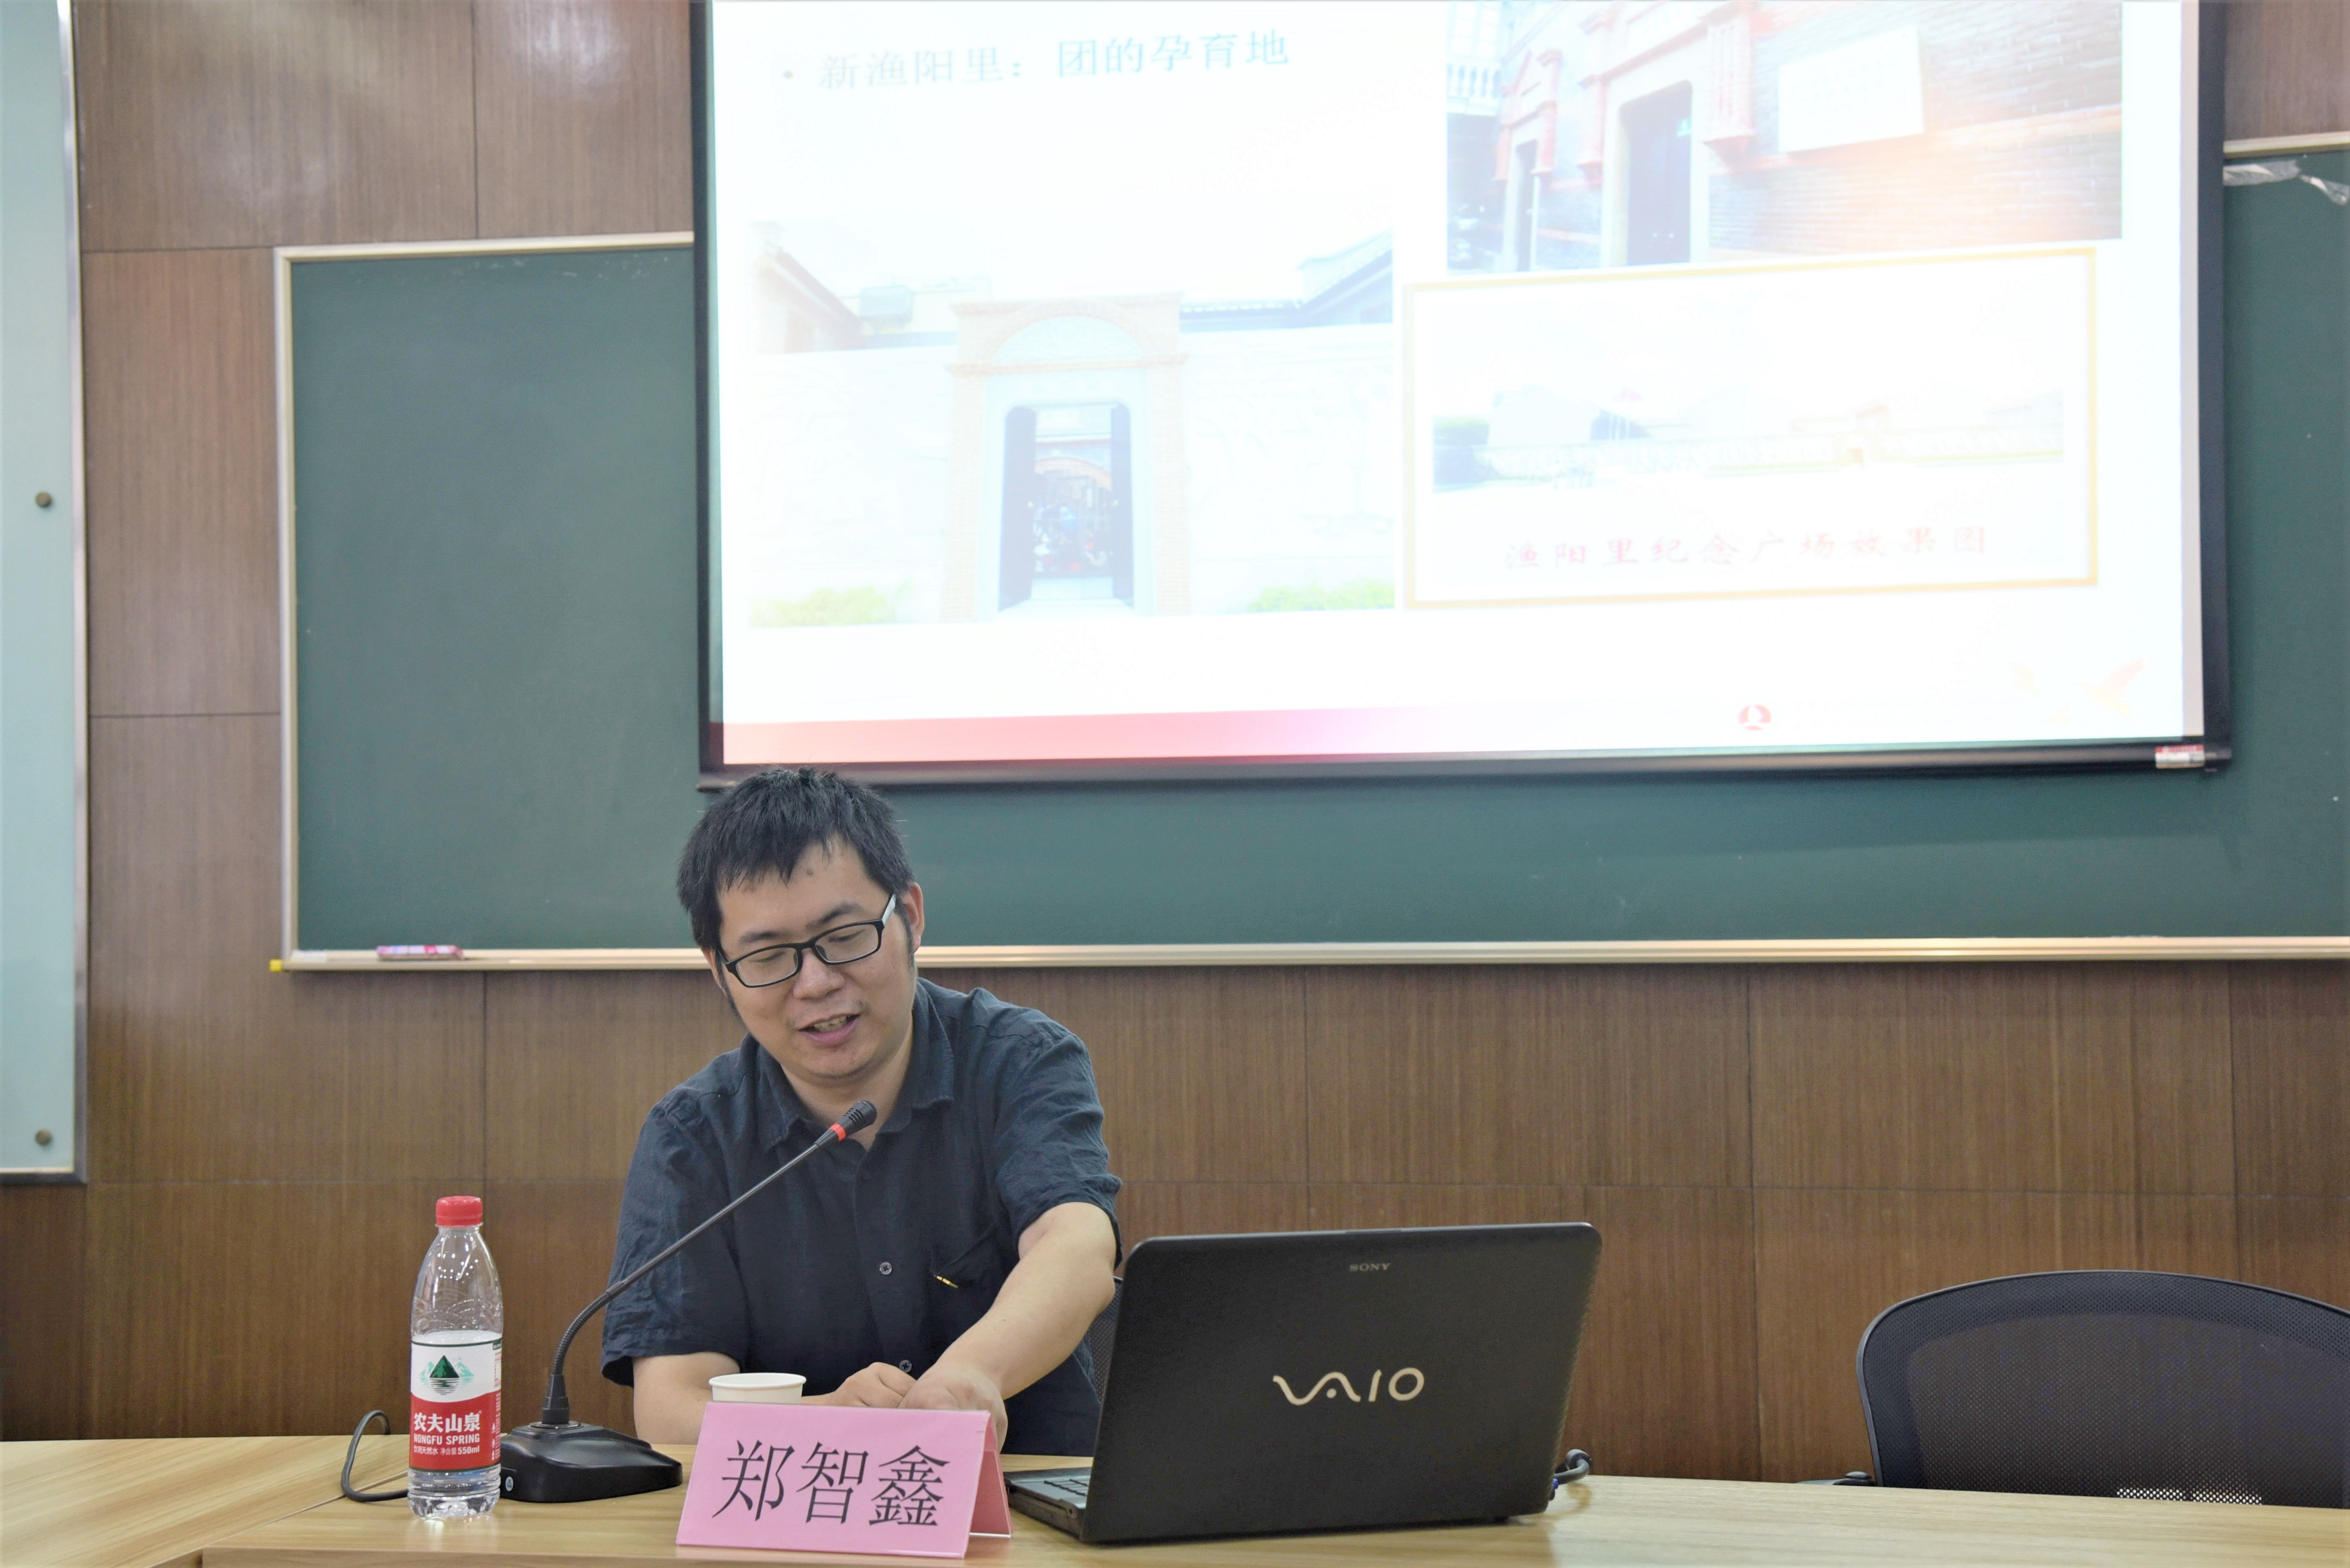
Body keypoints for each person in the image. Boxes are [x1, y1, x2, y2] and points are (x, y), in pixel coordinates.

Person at [600, 767, 1121, 1453]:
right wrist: (831, 1420)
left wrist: (969, 1376)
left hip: (1029, 1491)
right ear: (719, 970)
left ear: (911, 916)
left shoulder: (1019, 1060)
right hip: (799, 1507)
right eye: (768, 957)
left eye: (845, 936)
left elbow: (1077, 1245)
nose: (816, 983)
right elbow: (671, 1406)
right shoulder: (692, 1137)